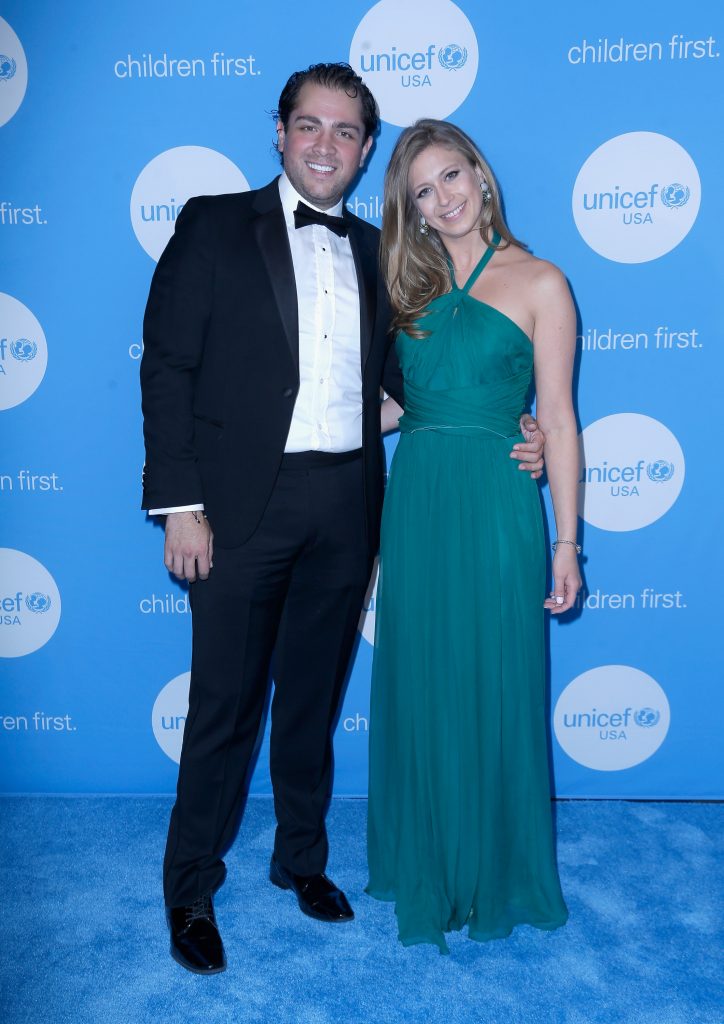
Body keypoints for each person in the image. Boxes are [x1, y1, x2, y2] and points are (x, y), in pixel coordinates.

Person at [141, 66, 545, 975]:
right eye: (310, 126)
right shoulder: (213, 224)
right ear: (279, 133)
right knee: (224, 708)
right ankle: (191, 889)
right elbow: (167, 369)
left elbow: (419, 386)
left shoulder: (382, 252)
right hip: (239, 507)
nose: (327, 144)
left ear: (366, 150)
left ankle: (301, 862)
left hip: (350, 506)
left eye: (348, 132)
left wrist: (517, 423)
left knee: (314, 702)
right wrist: (180, 504)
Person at [366, 119, 581, 954]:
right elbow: (397, 407)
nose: (443, 198)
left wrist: (567, 543)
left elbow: (558, 420)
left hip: (496, 499)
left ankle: (494, 871)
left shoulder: (541, 281)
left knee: (494, 676)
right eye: (423, 190)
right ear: (411, 209)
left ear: (482, 178)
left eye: (452, 176)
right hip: (417, 500)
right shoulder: (406, 286)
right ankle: (426, 859)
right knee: (421, 676)